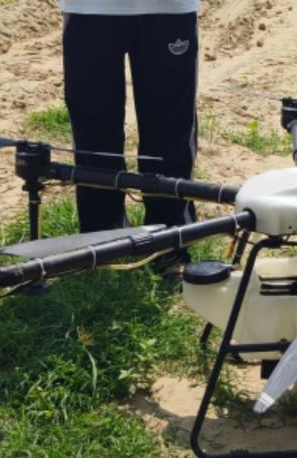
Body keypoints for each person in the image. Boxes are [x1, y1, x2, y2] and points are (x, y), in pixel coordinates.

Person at [61, 0, 200, 269]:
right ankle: (101, 242)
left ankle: (169, 241)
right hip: (90, 9)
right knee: (94, 134)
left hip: (169, 9)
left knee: (170, 133)